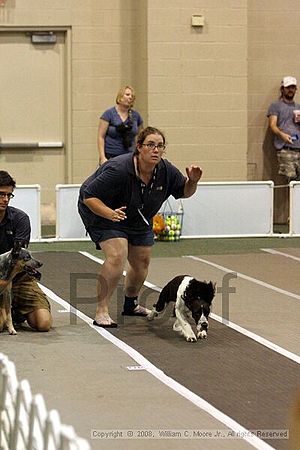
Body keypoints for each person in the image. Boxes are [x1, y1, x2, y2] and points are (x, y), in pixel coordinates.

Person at [78, 126, 202, 327]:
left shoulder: (166, 170)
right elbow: (88, 196)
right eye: (150, 145)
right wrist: (110, 213)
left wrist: (193, 181)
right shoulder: (118, 169)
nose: (156, 150)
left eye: (160, 146)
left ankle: (131, 304)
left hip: (139, 215)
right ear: (139, 147)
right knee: (117, 255)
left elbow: (184, 191)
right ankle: (101, 311)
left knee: (141, 261)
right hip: (103, 211)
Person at [0, 171, 52, 331]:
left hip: (18, 278)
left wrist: (5, 283)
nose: (5, 199)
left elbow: (19, 260)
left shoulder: (20, 219)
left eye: (9, 195)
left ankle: (16, 310)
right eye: (1, 194)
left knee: (44, 323)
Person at [97, 85, 143, 165]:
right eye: (127, 95)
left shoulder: (136, 116)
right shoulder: (109, 114)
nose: (130, 97)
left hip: (129, 156)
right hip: (111, 155)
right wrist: (102, 157)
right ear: (120, 96)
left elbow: (141, 137)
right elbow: (101, 136)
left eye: (132, 96)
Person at [267, 76, 300, 180]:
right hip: (286, 149)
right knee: (290, 182)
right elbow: (272, 125)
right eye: (288, 87)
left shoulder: (298, 107)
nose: (291, 90)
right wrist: (282, 135)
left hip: (298, 147)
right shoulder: (275, 106)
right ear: (282, 89)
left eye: (293, 87)